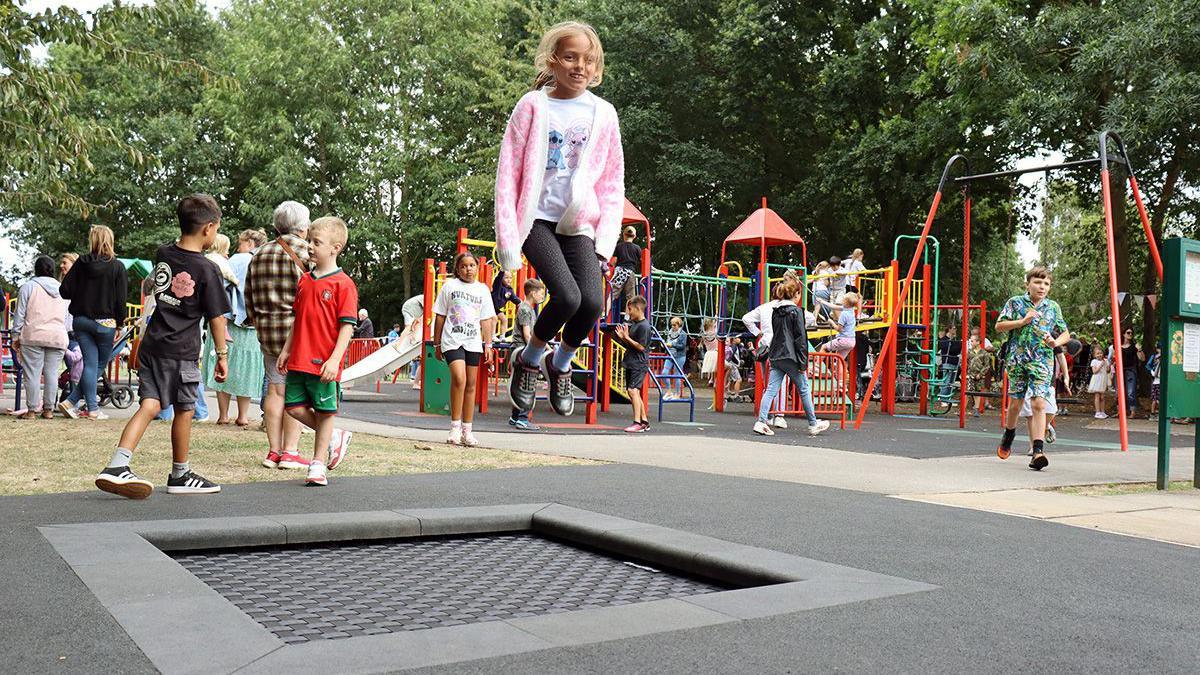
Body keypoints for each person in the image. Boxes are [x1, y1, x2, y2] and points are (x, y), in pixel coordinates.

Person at [498, 21, 625, 420]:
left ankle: (561, 364)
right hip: (535, 219)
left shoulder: (603, 114)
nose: (579, 66)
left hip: (578, 224)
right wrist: (507, 244)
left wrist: (605, 241)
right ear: (553, 61)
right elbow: (508, 175)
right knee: (566, 297)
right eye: (570, 57)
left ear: (597, 66)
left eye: (588, 60)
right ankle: (530, 359)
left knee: (591, 303)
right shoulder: (533, 106)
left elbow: (611, 182)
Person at [93, 194, 230, 499]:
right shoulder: (208, 270)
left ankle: (117, 464)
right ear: (209, 228)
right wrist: (222, 356)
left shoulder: (163, 253)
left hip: (153, 345)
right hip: (181, 351)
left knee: (151, 404)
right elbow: (217, 320)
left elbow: (155, 293)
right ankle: (180, 474)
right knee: (184, 408)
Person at [278, 217, 357, 487]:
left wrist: (335, 360)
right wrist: (287, 350)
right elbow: (297, 319)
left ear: (335, 248)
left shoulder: (343, 284)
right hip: (299, 358)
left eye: (316, 242)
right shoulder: (304, 281)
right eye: (309, 241)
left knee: (325, 412)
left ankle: (318, 463)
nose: (310, 247)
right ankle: (335, 437)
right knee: (293, 408)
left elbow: (347, 327)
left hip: (324, 361)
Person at [245, 200, 311, 470]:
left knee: (275, 388)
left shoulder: (258, 253)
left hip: (266, 331)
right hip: (298, 332)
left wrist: (258, 319)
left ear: (276, 226)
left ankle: (273, 451)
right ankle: (291, 452)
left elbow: (248, 295)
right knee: (296, 390)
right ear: (304, 228)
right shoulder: (308, 252)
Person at [994, 265, 1070, 471]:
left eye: (1046, 283)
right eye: (1038, 282)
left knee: (1038, 403)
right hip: (1017, 359)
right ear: (1027, 284)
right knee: (1016, 404)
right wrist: (1022, 321)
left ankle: (1037, 451)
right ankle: (1009, 434)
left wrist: (1055, 341)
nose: (1042, 286)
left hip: (1042, 360)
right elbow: (999, 326)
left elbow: (1066, 334)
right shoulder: (1015, 303)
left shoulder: (1053, 307)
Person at [58, 225, 128, 421]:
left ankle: (72, 401)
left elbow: (64, 291)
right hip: (105, 322)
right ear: (110, 240)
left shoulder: (81, 263)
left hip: (80, 321)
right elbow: (120, 300)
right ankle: (92, 409)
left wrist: (82, 290)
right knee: (97, 365)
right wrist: (120, 324)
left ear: (93, 241)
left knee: (90, 364)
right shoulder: (117, 266)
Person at [433, 251, 496, 446]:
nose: (468, 269)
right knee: (459, 379)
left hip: (473, 342)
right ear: (457, 269)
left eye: (471, 265)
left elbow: (486, 319)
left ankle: (467, 430)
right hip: (452, 339)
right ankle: (454, 427)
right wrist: (436, 343)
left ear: (477, 267)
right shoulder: (449, 286)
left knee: (471, 384)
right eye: (463, 266)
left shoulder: (483, 290)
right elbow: (441, 315)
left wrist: (488, 344)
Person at [752, 279, 830, 437]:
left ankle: (761, 422)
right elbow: (800, 339)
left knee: (770, 390)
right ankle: (813, 423)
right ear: (797, 294)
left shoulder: (775, 311)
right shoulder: (796, 312)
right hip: (791, 356)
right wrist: (802, 362)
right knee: (804, 389)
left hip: (775, 355)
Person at [208, 229, 266, 427]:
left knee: (224, 364)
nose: (237, 247)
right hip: (253, 323)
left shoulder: (237, 259)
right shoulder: (265, 261)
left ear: (249, 243)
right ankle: (242, 415)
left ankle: (223, 414)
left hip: (229, 319)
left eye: (240, 243)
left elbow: (220, 285)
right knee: (247, 369)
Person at [12, 255, 71, 419]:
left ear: (35, 269)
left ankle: (31, 410)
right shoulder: (62, 289)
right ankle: (49, 410)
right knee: (52, 373)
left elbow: (20, 315)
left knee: (32, 373)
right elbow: (66, 316)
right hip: (57, 336)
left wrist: (15, 336)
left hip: (33, 336)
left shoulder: (28, 287)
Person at [508, 278, 547, 431]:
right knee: (527, 384)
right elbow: (527, 334)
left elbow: (533, 332)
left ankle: (515, 416)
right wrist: (537, 349)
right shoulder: (525, 309)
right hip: (523, 350)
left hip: (522, 349)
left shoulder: (528, 309)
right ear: (532, 293)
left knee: (520, 383)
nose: (542, 297)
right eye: (541, 294)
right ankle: (522, 419)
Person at [613, 295, 650, 433]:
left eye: (630, 309)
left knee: (632, 391)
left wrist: (627, 337)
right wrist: (623, 338)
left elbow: (641, 347)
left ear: (638, 308)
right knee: (634, 392)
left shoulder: (644, 326)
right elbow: (631, 345)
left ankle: (637, 422)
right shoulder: (634, 324)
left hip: (638, 364)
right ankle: (644, 421)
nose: (629, 312)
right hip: (631, 361)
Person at [820, 292, 860, 359]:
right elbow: (834, 307)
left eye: (843, 300)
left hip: (843, 340)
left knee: (824, 347)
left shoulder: (844, 314)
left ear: (846, 303)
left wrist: (831, 322)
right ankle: (839, 369)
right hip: (852, 341)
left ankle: (817, 367)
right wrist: (822, 301)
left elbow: (839, 329)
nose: (842, 301)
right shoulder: (851, 310)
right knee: (839, 360)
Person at [966, 326, 995, 416]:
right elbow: (966, 363)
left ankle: (976, 409)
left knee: (977, 392)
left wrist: (981, 374)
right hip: (970, 374)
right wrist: (966, 372)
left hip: (979, 375)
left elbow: (987, 365)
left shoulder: (984, 353)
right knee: (967, 391)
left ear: (978, 342)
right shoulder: (969, 352)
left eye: (973, 341)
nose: (971, 343)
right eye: (971, 340)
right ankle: (963, 409)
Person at [611, 225, 643, 303]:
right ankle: (628, 315)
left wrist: (611, 267)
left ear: (624, 235)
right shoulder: (637, 248)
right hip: (630, 272)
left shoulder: (619, 246)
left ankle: (603, 313)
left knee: (612, 294)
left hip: (620, 271)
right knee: (630, 297)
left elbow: (614, 261)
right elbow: (642, 260)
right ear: (634, 236)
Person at [1119, 327, 1144, 418]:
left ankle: (1132, 412)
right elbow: (1115, 358)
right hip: (1120, 370)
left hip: (1130, 370)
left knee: (1130, 391)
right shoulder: (1118, 346)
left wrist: (1139, 350)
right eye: (1128, 332)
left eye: (1131, 333)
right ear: (1123, 334)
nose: (1130, 334)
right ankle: (1121, 411)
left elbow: (1142, 358)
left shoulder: (1134, 346)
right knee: (1119, 392)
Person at [401, 294, 425, 388]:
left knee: (421, 364)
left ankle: (416, 382)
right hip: (419, 340)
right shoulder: (420, 311)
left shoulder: (418, 315)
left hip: (418, 339)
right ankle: (416, 382)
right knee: (421, 364)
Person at [661, 316, 687, 400]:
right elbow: (668, 342)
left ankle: (677, 394)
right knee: (664, 373)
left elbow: (682, 346)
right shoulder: (670, 332)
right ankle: (669, 391)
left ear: (678, 325)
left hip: (679, 356)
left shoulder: (683, 334)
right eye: (671, 325)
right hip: (670, 355)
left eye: (674, 325)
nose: (672, 327)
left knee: (677, 375)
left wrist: (672, 345)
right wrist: (664, 345)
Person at [1088, 342, 1110, 419]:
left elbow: (1108, 371)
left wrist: (1108, 366)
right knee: (1097, 396)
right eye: (1097, 353)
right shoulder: (1094, 361)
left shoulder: (1105, 361)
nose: (1099, 355)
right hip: (1097, 379)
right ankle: (1097, 412)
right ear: (1094, 355)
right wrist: (1101, 365)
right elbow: (1094, 371)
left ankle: (1103, 411)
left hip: (1103, 379)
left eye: (1100, 353)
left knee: (1103, 396)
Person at [724, 335, 744, 400]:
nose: (739, 339)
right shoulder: (733, 346)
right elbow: (731, 355)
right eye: (737, 338)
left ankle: (726, 395)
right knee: (738, 379)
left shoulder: (731, 346)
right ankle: (736, 395)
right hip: (732, 365)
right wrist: (736, 363)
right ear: (734, 339)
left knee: (729, 380)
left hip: (730, 364)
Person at [700, 318, 719, 386]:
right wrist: (717, 320)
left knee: (713, 368)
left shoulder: (704, 334)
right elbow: (717, 327)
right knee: (717, 368)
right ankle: (715, 381)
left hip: (708, 353)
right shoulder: (713, 332)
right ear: (710, 325)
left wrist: (715, 320)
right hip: (715, 353)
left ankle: (711, 379)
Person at [1147, 345, 1161, 416]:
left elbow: (1149, 366)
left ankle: (1153, 413)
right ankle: (1155, 413)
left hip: (1156, 381)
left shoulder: (1154, 356)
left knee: (1155, 399)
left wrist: (1152, 372)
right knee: (1157, 399)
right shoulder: (1157, 357)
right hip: (1157, 381)